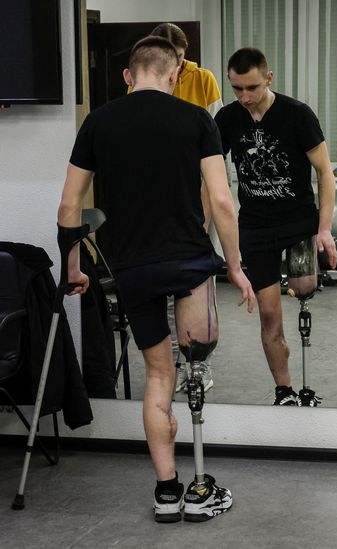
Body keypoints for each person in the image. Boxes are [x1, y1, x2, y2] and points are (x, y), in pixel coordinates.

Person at [58, 36, 255, 521]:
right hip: (189, 263)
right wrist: (233, 265)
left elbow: (69, 207)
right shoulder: (196, 119)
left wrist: (74, 267)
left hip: (132, 269)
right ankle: (202, 490)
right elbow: (223, 202)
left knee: (158, 378)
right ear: (174, 75)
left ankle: (167, 493)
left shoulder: (98, 122)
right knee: (194, 366)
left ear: (128, 75)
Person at [214, 47, 337, 406]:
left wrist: (324, 228)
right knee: (269, 316)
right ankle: (284, 391)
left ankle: (306, 375)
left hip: (299, 224)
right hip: (255, 229)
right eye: (236, 89)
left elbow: (325, 175)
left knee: (303, 288)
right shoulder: (227, 119)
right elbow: (209, 174)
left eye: (251, 87)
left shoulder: (297, 115)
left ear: (269, 78)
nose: (244, 97)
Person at [149, 23, 224, 394]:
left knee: (196, 280)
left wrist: (208, 209)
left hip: (197, 188)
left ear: (184, 54)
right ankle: (176, 362)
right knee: (163, 281)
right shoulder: (145, 80)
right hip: (160, 191)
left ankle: (199, 363)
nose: (172, 67)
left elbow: (216, 142)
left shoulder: (203, 79)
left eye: (177, 59)